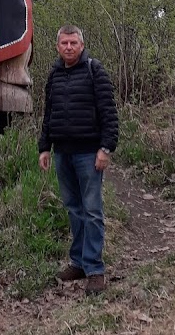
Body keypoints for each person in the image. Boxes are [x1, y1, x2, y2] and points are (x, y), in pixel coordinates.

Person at [38, 25, 119, 294]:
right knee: (74, 209)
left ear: (82, 45)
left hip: (88, 154)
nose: (69, 47)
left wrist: (105, 148)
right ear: (58, 46)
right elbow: (48, 115)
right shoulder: (54, 75)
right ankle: (79, 262)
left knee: (92, 210)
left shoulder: (95, 71)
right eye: (64, 43)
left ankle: (95, 268)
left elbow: (109, 113)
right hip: (62, 152)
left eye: (73, 43)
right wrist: (44, 147)